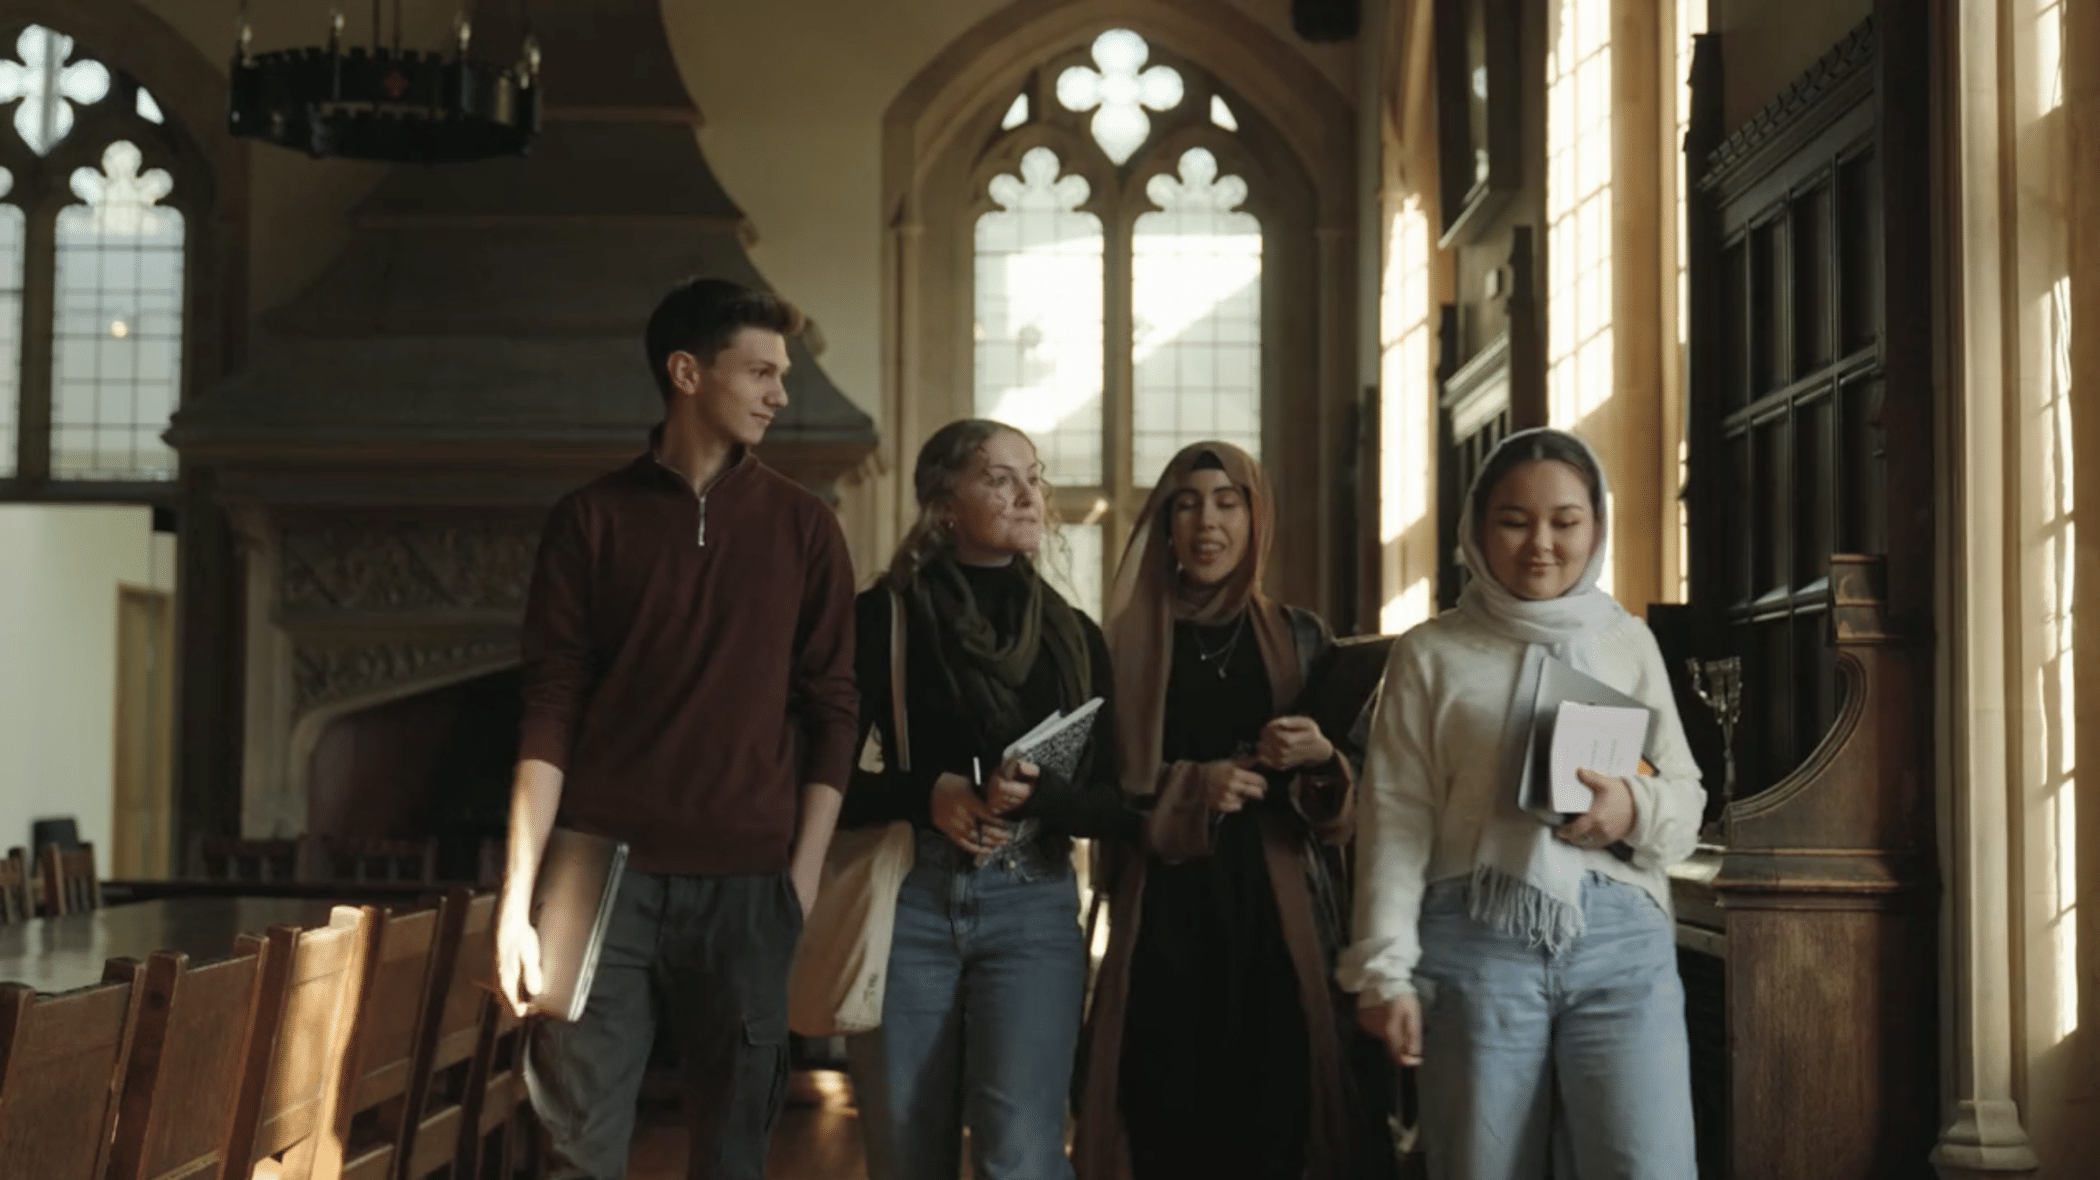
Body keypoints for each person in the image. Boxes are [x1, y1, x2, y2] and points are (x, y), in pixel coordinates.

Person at [498, 278, 860, 1180]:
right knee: (575, 1153)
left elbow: (834, 710)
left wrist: (801, 879)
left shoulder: (807, 529)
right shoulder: (588, 521)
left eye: (784, 374)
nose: (781, 393)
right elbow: (548, 711)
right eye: (761, 371)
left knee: (734, 1160)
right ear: (688, 372)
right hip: (593, 878)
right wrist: (517, 897)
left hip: (749, 885)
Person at [1340, 428, 1704, 1179]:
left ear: (1596, 528)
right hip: (1474, 945)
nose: (1541, 544)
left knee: (1648, 1165)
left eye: (1566, 522)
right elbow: (1395, 824)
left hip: (1622, 943)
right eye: (1514, 521)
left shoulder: (1626, 642)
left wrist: (1629, 810)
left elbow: (1686, 797)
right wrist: (1385, 973)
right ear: (1475, 527)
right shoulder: (1430, 653)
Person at [1074, 441, 1391, 1180]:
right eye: (1186, 503)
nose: (1206, 523)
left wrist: (1321, 758)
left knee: (1276, 1118)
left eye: (1227, 502)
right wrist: (1194, 788)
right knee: (1165, 1115)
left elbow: (1360, 794)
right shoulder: (1116, 648)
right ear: (1164, 522)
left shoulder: (1302, 638)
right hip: (1165, 913)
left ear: (1256, 517)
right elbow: (1091, 792)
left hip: (1279, 913)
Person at [836, 418, 1136, 1180]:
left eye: (1033, 476)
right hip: (910, 898)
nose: (1028, 494)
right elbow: (820, 779)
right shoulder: (887, 620)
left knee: (1021, 1155)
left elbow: (1113, 806)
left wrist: (1045, 796)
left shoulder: (1075, 637)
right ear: (942, 504)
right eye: (999, 478)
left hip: (1033, 904)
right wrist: (925, 794)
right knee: (907, 1155)